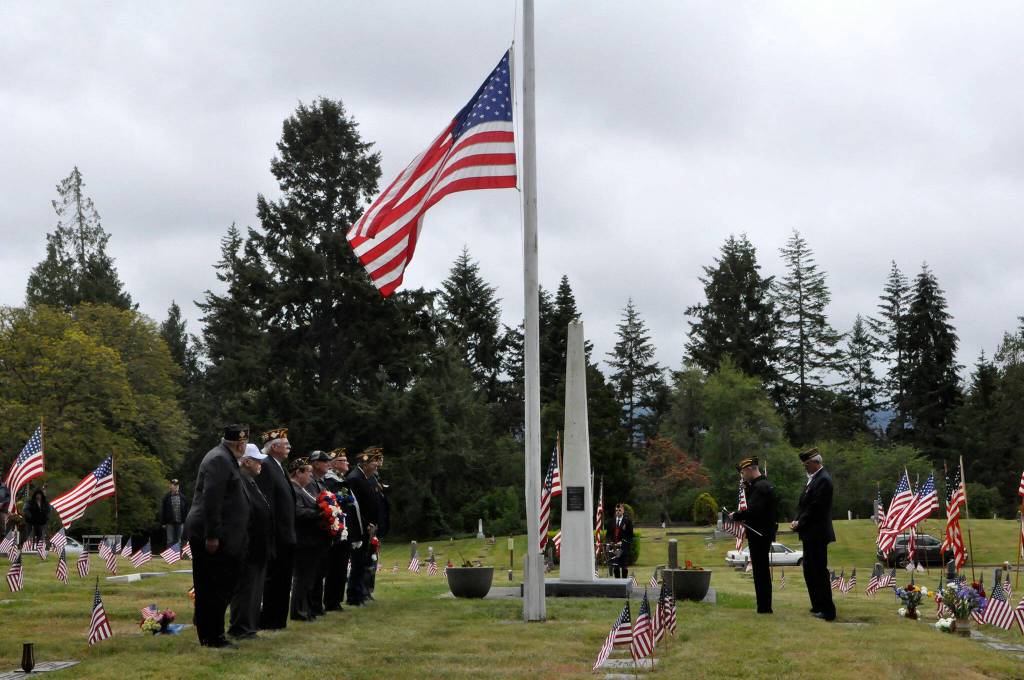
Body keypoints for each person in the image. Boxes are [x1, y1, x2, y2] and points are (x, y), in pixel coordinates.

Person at [183, 424, 251, 648]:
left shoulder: (225, 457)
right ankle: (212, 636)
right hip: (211, 534)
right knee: (213, 586)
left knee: (220, 585)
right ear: (241, 444)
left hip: (223, 533)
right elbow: (212, 500)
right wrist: (212, 536)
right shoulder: (220, 459)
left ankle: (212, 632)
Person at [228, 444, 273, 640]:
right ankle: (241, 626)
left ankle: (250, 624)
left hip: (259, 545)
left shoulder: (250, 481)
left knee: (255, 588)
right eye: (257, 460)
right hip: (249, 545)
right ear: (246, 462)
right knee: (246, 588)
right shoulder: (240, 482)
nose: (261, 464)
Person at [256, 427, 295, 630]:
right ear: (273, 447)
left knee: (283, 579)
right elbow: (267, 503)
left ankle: (278, 619)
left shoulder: (278, 466)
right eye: (285, 443)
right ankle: (270, 619)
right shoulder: (267, 466)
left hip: (286, 534)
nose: (289, 446)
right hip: (277, 535)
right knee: (274, 579)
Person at [791, 448, 836, 621]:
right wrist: (797, 520)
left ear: (816, 462)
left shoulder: (823, 480)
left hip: (817, 533)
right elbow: (803, 505)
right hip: (809, 532)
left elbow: (816, 508)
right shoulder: (813, 480)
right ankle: (817, 604)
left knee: (818, 571)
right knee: (809, 570)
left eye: (807, 464)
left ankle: (827, 610)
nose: (805, 468)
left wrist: (800, 522)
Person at [729, 456, 778, 614]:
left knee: (761, 571)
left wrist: (737, 515)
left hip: (760, 534)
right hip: (759, 533)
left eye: (743, 472)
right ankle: (762, 605)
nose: (742, 476)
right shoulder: (757, 486)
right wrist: (747, 488)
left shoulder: (762, 487)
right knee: (759, 570)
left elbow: (754, 510)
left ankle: (764, 607)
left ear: (750, 469)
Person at [345, 447, 383, 606]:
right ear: (365, 463)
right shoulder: (355, 478)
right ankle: (354, 596)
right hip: (360, 527)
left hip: (370, 526)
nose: (377, 465)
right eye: (374, 462)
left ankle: (361, 592)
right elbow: (356, 506)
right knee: (357, 562)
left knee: (365, 561)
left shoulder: (368, 477)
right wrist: (367, 524)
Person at [290, 458, 322, 621]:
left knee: (308, 577)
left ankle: (306, 608)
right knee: (302, 577)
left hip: (311, 539)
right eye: (308, 471)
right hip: (303, 539)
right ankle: (298, 611)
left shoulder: (303, 490)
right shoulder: (294, 489)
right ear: (298, 472)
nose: (310, 475)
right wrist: (320, 513)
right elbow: (298, 512)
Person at [322, 449, 353, 612]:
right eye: (343, 460)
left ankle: (337, 599)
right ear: (334, 464)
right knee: (334, 565)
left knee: (341, 565)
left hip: (345, 527)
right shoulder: (330, 481)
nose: (347, 463)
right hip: (336, 527)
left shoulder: (342, 480)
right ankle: (331, 600)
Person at [305, 450, 333, 617]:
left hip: (322, 533)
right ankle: (311, 606)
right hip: (313, 533)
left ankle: (316, 605)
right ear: (315, 463)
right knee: (313, 572)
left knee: (320, 570)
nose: (328, 463)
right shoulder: (310, 482)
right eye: (325, 461)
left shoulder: (322, 482)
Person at [161, 479, 190, 547]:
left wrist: (186, 522)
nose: (176, 487)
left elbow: (186, 510)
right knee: (170, 541)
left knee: (179, 541)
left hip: (180, 522)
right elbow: (163, 510)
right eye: (174, 485)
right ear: (171, 486)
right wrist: (163, 523)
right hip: (169, 522)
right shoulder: (166, 497)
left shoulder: (183, 497)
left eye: (177, 485)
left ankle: (177, 557)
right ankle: (169, 557)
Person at [609, 503, 633, 579]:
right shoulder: (612, 521)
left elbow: (630, 535)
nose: (618, 512)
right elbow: (608, 534)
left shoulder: (627, 521)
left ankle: (624, 583)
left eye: (619, 510)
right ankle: (617, 584)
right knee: (616, 566)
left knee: (624, 567)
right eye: (616, 510)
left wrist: (622, 542)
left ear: (623, 511)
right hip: (614, 548)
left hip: (623, 548)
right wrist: (610, 541)